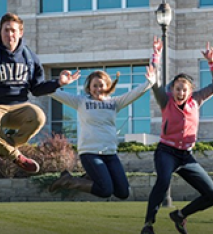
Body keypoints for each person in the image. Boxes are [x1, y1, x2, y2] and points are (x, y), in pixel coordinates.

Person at [0, 13, 78, 173]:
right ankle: (16, 156)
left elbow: (37, 88)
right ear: (0, 32)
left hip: (19, 107)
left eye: (13, 30)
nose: (9, 34)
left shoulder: (30, 58)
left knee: (39, 116)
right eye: (6, 30)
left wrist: (58, 83)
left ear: (21, 33)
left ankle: (1, 149)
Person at [139, 39, 213, 234]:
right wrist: (155, 55)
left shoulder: (197, 100)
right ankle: (148, 225)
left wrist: (212, 62)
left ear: (190, 91)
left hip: (186, 157)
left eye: (184, 89)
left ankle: (180, 215)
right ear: (172, 90)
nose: (181, 92)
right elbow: (155, 81)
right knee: (163, 179)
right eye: (177, 88)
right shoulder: (165, 99)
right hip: (166, 152)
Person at [47, 63, 156, 198]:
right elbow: (51, 92)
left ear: (108, 86)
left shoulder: (114, 103)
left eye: (101, 85)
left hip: (110, 153)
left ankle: (89, 176)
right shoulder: (81, 101)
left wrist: (150, 82)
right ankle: (69, 181)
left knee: (123, 193)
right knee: (105, 190)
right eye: (95, 86)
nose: (98, 89)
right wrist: (59, 82)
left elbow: (135, 93)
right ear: (89, 88)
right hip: (90, 152)